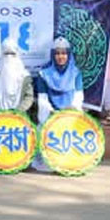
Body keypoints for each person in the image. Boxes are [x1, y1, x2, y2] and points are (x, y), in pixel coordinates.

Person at [34, 37, 85, 170]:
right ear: (52, 55)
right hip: (51, 115)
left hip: (71, 114)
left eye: (63, 53)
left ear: (69, 55)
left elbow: (78, 96)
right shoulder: (43, 74)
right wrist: (52, 113)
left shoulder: (76, 73)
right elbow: (42, 99)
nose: (60, 57)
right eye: (57, 53)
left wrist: (70, 110)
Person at [0, 38, 35, 116]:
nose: (9, 57)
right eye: (6, 54)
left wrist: (19, 110)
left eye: (12, 54)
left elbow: (29, 96)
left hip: (20, 118)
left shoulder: (25, 76)